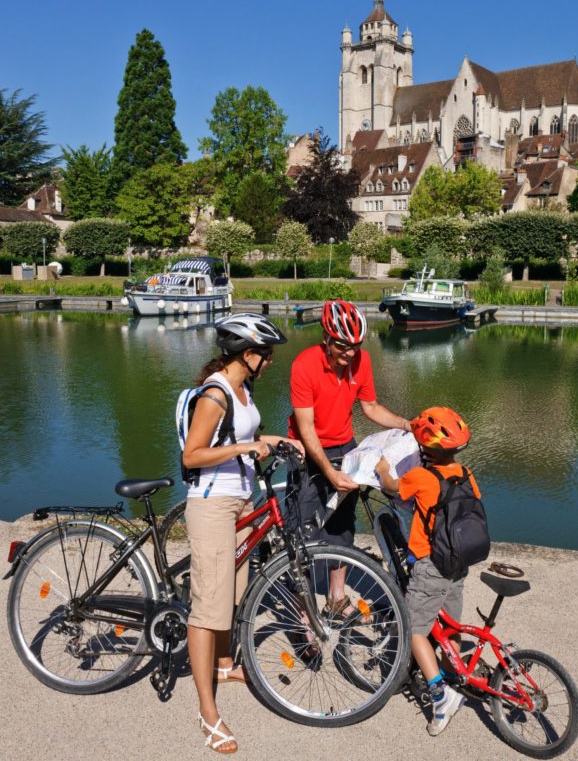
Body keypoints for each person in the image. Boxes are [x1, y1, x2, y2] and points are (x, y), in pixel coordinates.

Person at [182, 313, 303, 755]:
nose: (270, 361)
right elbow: (193, 456)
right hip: (213, 505)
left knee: (233, 593)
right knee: (208, 607)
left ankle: (225, 664)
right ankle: (207, 713)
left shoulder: (242, 388)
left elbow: (243, 434)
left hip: (242, 499)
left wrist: (275, 440)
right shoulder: (214, 394)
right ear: (246, 353)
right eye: (266, 354)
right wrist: (244, 448)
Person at [288, 299, 409, 614]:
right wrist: (329, 473)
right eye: (343, 346)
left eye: (356, 346)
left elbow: (370, 407)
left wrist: (407, 423)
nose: (350, 353)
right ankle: (302, 611)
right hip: (308, 449)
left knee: (342, 527)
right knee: (304, 530)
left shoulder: (361, 361)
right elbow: (306, 429)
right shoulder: (305, 364)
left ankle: (336, 598)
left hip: (345, 447)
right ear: (326, 338)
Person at [375, 407, 482, 737]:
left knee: (415, 630)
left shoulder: (420, 477)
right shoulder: (466, 473)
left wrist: (381, 468)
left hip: (430, 564)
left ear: (424, 448)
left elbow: (392, 487)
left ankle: (440, 696)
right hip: (458, 562)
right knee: (449, 623)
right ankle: (454, 674)